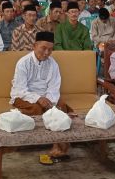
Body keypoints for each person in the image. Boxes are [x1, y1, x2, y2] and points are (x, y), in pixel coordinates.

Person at [10, 31, 72, 162]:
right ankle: (26, 140)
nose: (47, 53)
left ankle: (57, 145)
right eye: (43, 48)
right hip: (23, 96)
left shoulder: (53, 63)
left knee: (60, 108)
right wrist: (38, 99)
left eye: (50, 49)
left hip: (46, 96)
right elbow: (20, 88)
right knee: (37, 109)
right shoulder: (23, 63)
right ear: (35, 46)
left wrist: (50, 102)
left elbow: (54, 86)